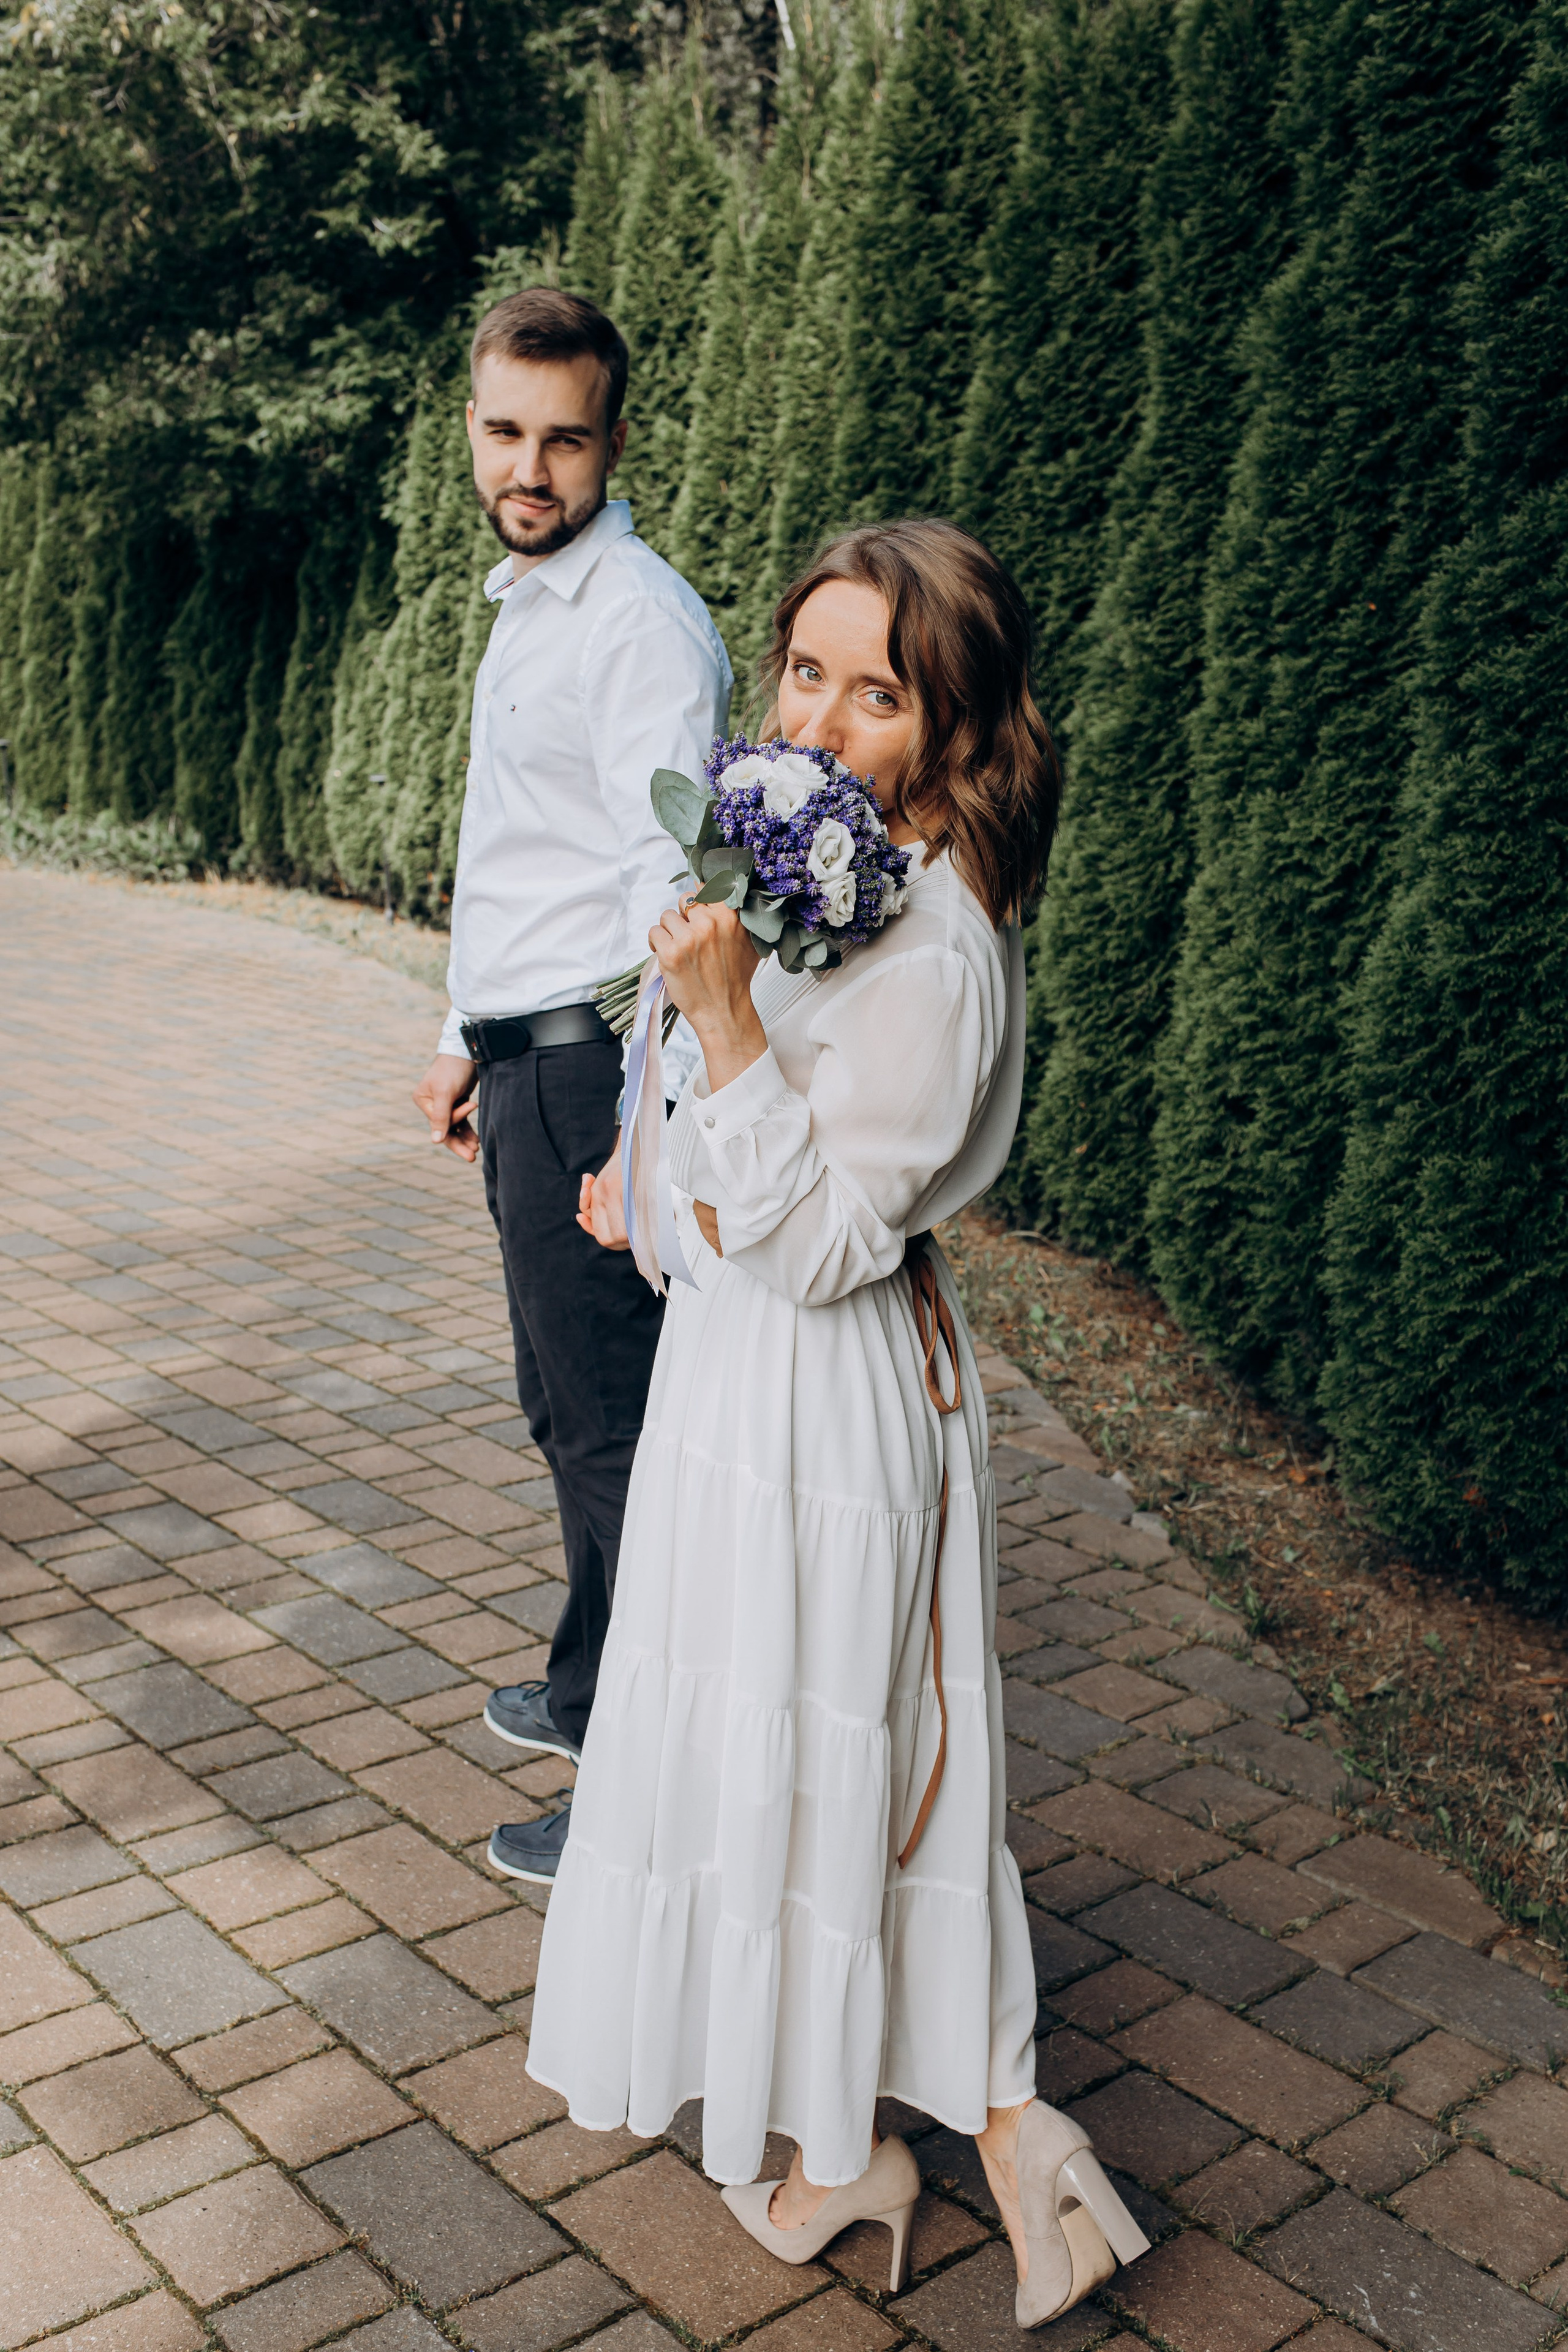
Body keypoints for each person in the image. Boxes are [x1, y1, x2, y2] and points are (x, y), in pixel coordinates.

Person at [529, 519, 1151, 2327]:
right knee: (785, 1768)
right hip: (740, 1380)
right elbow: (745, 1173)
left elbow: (819, 1239)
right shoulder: (848, 875)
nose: (818, 717)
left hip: (826, 1403)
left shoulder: (939, 947)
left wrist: (726, 1033)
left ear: (954, 730)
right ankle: (865, 2152)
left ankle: (926, 2150)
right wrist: (662, 1180)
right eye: (805, 669)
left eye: (877, 691)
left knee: (843, 1766)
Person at [411, 288, 731, 1884]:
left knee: (617, 1434)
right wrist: (471, 1034)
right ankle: (593, 1687)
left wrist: (632, 1127)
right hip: (526, 1062)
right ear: (473, 424)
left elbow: (672, 893)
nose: (528, 465)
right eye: (504, 430)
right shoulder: (534, 600)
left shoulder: (637, 622)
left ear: (613, 440)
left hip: (592, 1080)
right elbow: (533, 867)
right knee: (570, 1413)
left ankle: (645, 1800)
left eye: (563, 436)